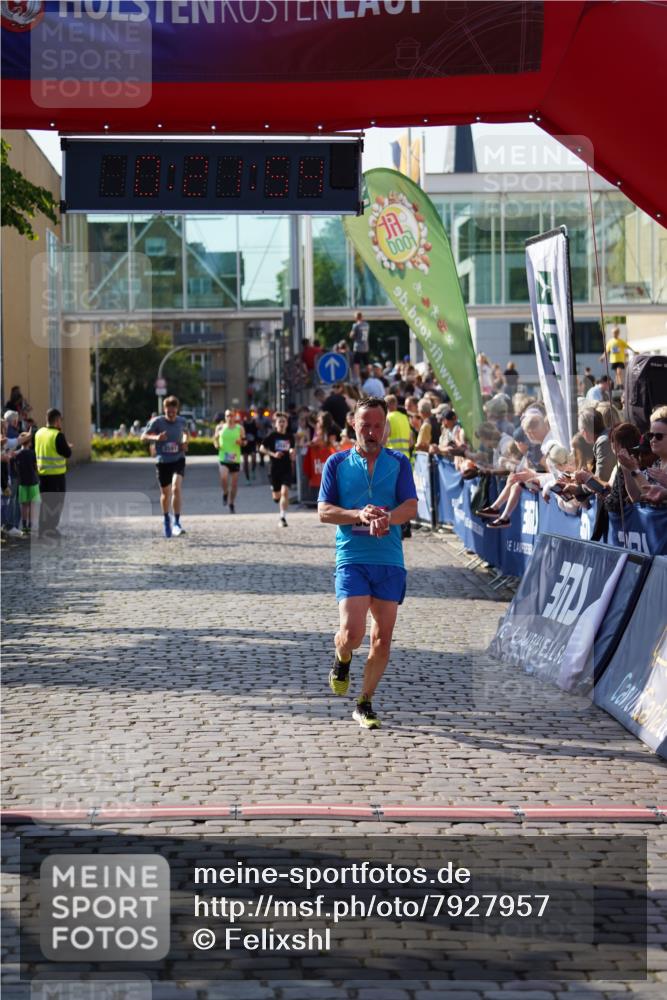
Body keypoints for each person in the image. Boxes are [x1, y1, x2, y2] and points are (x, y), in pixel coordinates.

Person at [318, 396, 418, 730]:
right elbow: (324, 511)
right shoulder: (337, 463)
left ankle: (364, 702)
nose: (372, 432)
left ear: (385, 427)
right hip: (353, 558)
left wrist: (387, 517)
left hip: (389, 560)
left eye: (378, 426)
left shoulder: (399, 462)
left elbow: (411, 506)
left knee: (382, 639)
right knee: (353, 633)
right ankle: (342, 655)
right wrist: (357, 514)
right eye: (365, 426)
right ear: (353, 425)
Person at [142, 396, 189, 538]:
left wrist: (185, 442)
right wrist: (156, 438)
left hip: (178, 459)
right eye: (169, 412)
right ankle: (166, 518)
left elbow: (185, 434)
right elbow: (143, 437)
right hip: (163, 462)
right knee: (165, 494)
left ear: (177, 410)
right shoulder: (157, 422)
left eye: (174, 412)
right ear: (164, 410)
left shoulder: (182, 421)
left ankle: (177, 522)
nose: (171, 415)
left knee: (176, 488)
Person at [34, 407, 72, 540]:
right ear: (56, 421)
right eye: (60, 420)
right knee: (56, 505)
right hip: (56, 476)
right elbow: (67, 453)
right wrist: (67, 445)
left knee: (45, 503)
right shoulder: (57, 435)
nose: (61, 423)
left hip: (42, 476)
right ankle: (51, 530)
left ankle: (42, 530)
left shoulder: (39, 433)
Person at [260, 411, 295, 527]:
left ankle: (283, 517)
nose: (282, 423)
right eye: (279, 422)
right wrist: (273, 454)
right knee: (277, 496)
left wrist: (291, 452)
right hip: (274, 469)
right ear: (275, 424)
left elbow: (292, 449)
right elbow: (261, 448)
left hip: (286, 468)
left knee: (285, 492)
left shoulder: (290, 437)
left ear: (287, 424)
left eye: (284, 422)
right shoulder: (272, 436)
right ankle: (276, 495)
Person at [214, 409, 245, 514]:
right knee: (223, 477)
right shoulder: (220, 427)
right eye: (227, 416)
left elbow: (245, 442)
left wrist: (241, 442)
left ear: (234, 417)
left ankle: (231, 503)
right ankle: (225, 492)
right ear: (225, 417)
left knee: (234, 484)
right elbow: (215, 439)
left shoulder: (239, 428)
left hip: (235, 458)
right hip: (223, 457)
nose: (229, 418)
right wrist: (216, 444)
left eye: (231, 416)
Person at [14, 431, 39, 536]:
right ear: (30, 443)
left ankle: (24, 526)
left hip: (22, 482)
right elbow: (36, 467)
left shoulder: (17, 454)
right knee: (32, 505)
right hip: (33, 482)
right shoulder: (33, 453)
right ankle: (30, 525)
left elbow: (15, 468)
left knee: (24, 505)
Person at [348, 311, 370, 383]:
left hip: (358, 347)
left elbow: (352, 335)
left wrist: (351, 333)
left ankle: (357, 378)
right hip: (365, 347)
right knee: (366, 363)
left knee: (356, 363)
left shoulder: (356, 325)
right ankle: (369, 376)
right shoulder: (367, 325)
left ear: (356, 317)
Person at [241, 410, 259, 483]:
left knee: (254, 459)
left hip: (253, 444)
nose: (249, 415)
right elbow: (240, 434)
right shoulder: (243, 423)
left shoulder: (254, 422)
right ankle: (247, 478)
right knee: (245, 462)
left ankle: (253, 470)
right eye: (247, 414)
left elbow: (257, 431)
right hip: (245, 444)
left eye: (250, 414)